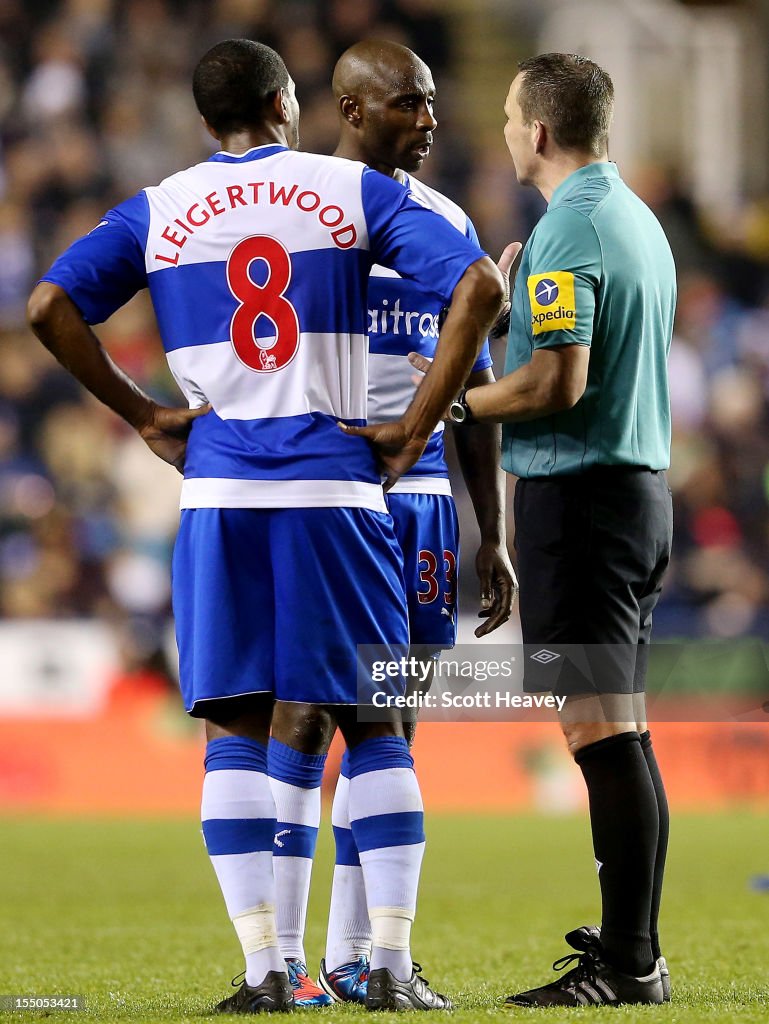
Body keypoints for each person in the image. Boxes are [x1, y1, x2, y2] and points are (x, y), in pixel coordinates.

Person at [27, 39, 504, 1014]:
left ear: (205, 119)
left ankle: (266, 969)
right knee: (377, 726)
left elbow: (47, 304)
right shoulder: (347, 195)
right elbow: (480, 292)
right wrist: (413, 432)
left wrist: (147, 414)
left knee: (240, 731)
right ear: (294, 102)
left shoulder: (161, 204)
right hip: (342, 487)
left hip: (216, 492)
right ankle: (384, 961)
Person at [262, 39, 518, 1009]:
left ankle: (351, 957)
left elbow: (477, 385)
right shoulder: (290, 216)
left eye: (432, 103)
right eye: (409, 105)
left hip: (416, 509)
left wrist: (487, 530)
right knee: (306, 708)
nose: (429, 123)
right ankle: (282, 958)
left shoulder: (445, 220)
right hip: (333, 491)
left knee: (392, 722)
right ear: (352, 108)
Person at [422, 53, 675, 1006]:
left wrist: (456, 403)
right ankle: (632, 949)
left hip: (581, 505)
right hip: (633, 496)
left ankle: (626, 963)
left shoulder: (568, 230)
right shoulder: (631, 219)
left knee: (598, 731)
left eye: (505, 118)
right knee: (625, 730)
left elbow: (556, 384)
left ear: (536, 132)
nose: (499, 132)